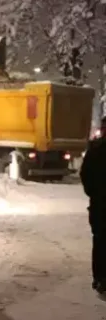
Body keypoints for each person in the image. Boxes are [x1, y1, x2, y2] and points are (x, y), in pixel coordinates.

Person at [80, 116, 106, 300]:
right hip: (99, 203)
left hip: (99, 204)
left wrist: (93, 193)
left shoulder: (95, 149)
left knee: (100, 242)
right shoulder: (96, 149)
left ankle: (100, 279)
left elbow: (85, 175)